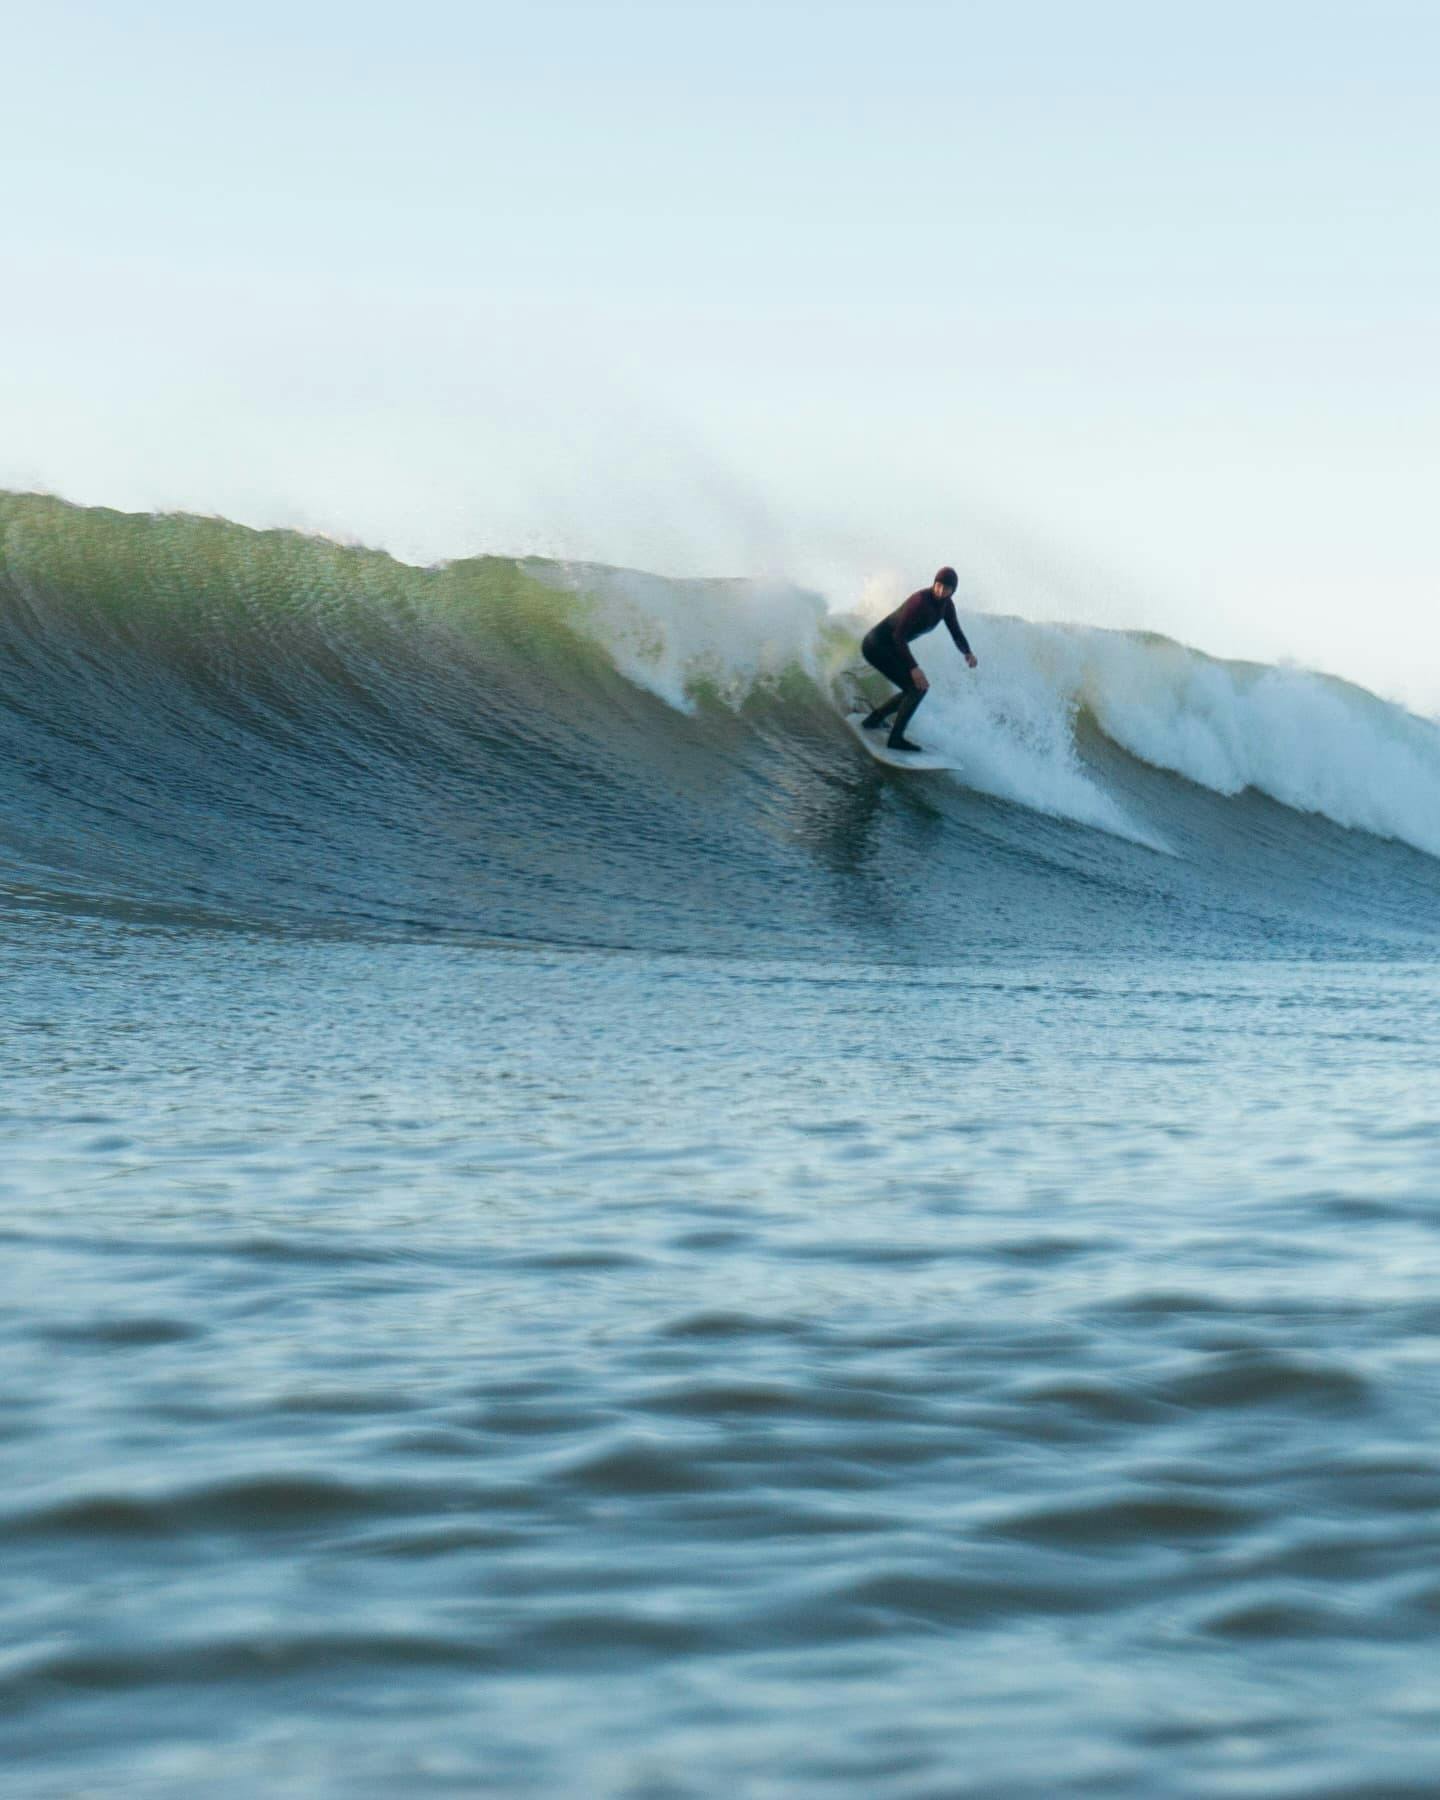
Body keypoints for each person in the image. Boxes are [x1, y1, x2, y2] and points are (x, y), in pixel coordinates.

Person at [859, 567, 978, 751]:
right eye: (938, 585)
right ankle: (895, 739)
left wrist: (967, 652)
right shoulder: (920, 602)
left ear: (953, 591)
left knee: (915, 689)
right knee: (916, 688)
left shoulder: (947, 606)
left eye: (946, 588)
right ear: (934, 583)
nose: (940, 591)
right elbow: (898, 636)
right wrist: (914, 667)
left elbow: (955, 632)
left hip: (889, 648)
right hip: (876, 646)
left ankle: (874, 720)